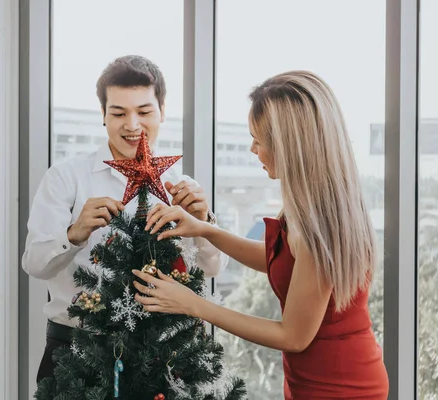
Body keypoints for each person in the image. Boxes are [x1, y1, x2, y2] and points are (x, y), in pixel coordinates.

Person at [132, 71, 389, 399]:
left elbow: (293, 336)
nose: (253, 149)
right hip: (315, 377)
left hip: (338, 386)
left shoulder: (317, 224)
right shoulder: (314, 203)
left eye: (259, 140)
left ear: (289, 146)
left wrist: (193, 304)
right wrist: (205, 229)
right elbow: (280, 261)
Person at [21, 55, 228, 385]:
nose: (132, 125)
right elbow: (34, 264)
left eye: (144, 112)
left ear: (162, 111)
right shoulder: (65, 178)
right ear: (103, 115)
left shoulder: (181, 186)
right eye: (118, 113)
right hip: (76, 352)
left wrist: (204, 223)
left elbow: (214, 269)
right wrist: (74, 234)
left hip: (164, 356)